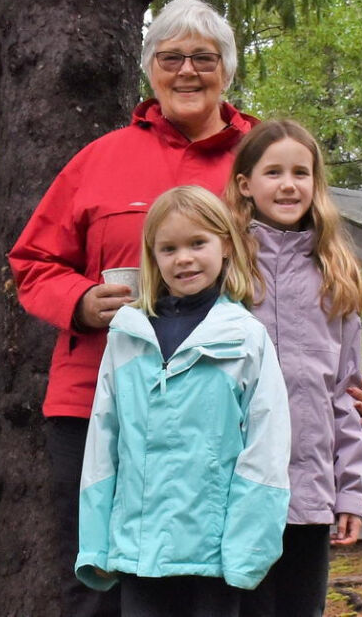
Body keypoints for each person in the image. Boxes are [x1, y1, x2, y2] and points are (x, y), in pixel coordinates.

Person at [8, 0, 362, 616]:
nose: (187, 71)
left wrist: (335, 382)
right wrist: (83, 301)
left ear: (227, 69)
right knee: (101, 584)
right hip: (98, 399)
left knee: (225, 586)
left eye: (204, 57)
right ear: (150, 68)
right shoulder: (99, 160)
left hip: (222, 415)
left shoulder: (263, 158)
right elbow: (31, 263)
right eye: (170, 57)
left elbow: (310, 281)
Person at [75, 185, 291, 617]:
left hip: (212, 555)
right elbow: (103, 440)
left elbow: (267, 446)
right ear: (153, 257)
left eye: (198, 243)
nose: (184, 258)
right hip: (140, 553)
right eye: (168, 248)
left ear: (225, 245)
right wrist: (96, 543)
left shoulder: (245, 338)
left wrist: (247, 548)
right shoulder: (128, 335)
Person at [223, 119, 362, 617]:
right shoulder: (223, 269)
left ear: (315, 183)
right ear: (245, 184)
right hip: (235, 492)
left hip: (309, 494)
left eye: (301, 173)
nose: (288, 185)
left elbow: (344, 397)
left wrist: (350, 492)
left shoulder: (335, 275)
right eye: (273, 172)